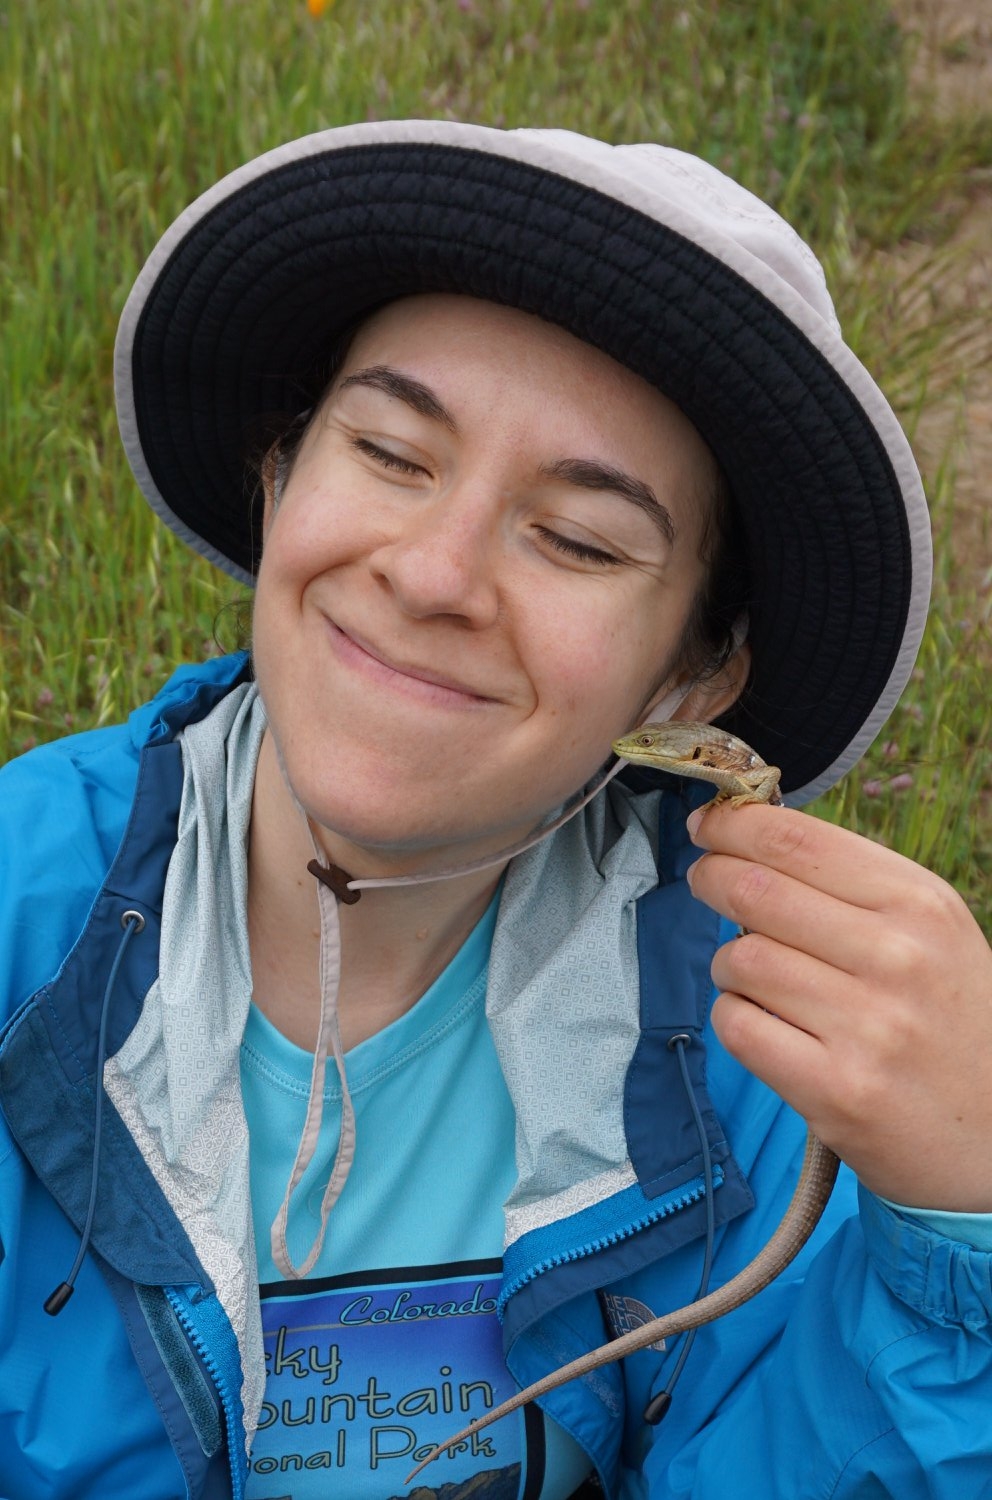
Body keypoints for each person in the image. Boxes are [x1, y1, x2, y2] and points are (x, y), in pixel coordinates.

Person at [1, 120, 990, 1500]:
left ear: (696, 677)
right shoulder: (19, 915)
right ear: (279, 478)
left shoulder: (762, 1054)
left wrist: (964, 1231)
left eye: (578, 538)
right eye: (394, 453)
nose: (436, 572)